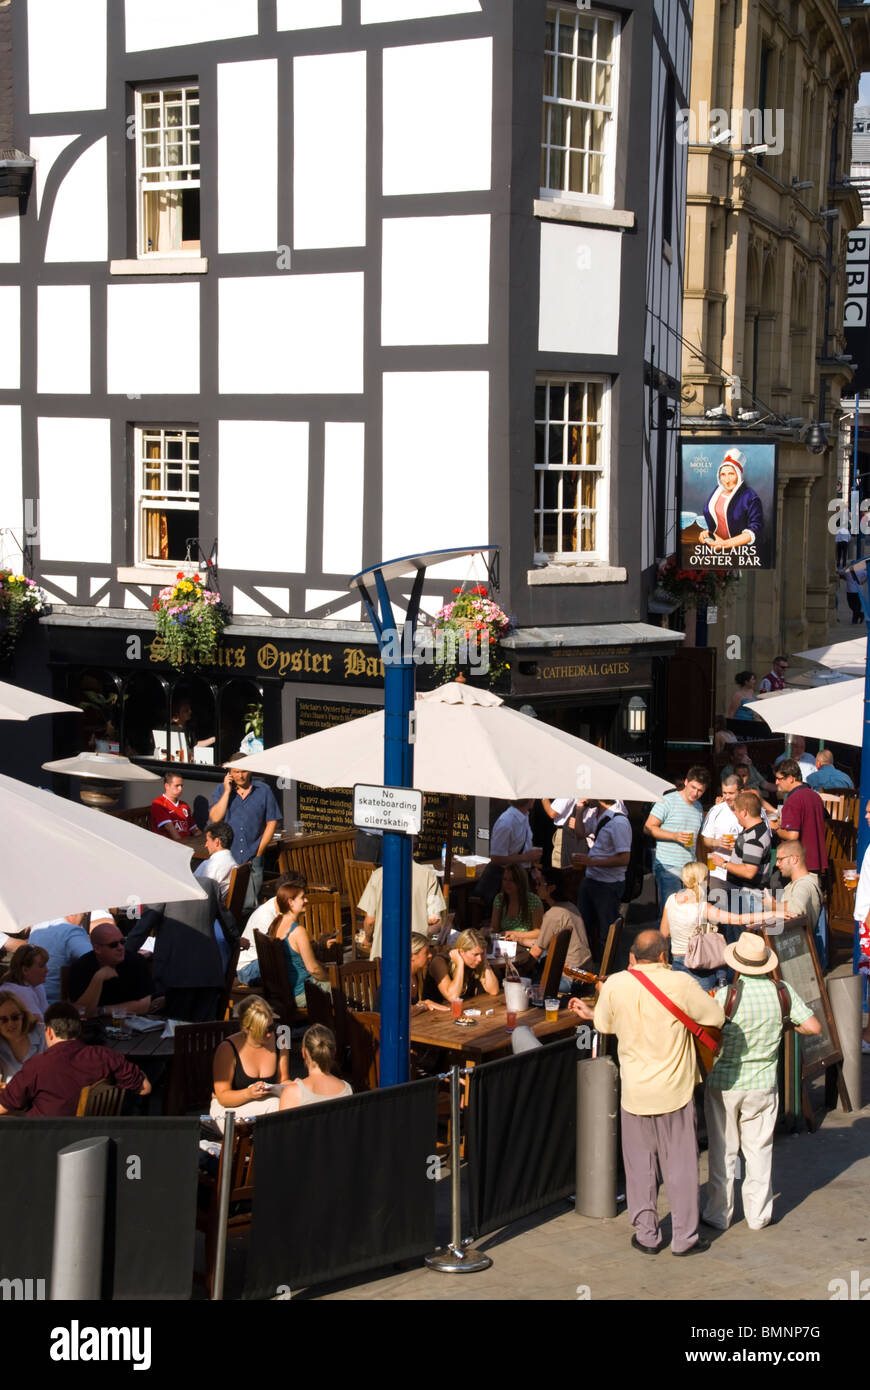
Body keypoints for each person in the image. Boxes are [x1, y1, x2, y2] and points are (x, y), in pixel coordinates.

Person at [569, 930, 725, 1255]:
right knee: (680, 1165)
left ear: (632, 957)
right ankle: (685, 1238)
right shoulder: (681, 984)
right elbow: (715, 1017)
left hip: (635, 1092)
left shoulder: (615, 984)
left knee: (640, 1166)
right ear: (664, 957)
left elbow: (603, 1024)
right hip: (674, 1091)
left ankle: (647, 1235)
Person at [702, 932, 820, 1232]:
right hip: (764, 1083)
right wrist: (785, 1025)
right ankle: (758, 1215)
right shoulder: (782, 992)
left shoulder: (726, 995)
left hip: (725, 1083)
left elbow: (705, 1031)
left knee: (723, 1150)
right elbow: (813, 1026)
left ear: (737, 966)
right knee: (760, 1150)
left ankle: (719, 1213)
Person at [0, 1002, 150, 1117]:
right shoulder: (105, 1056)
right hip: (95, 1140)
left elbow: (3, 1106)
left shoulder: (37, 1066)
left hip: (46, 1144)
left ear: (49, 1032)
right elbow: (145, 1088)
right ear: (79, 1030)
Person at [126, 876, 238, 1022]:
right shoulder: (209, 884)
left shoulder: (164, 887)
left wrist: (124, 955)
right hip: (208, 974)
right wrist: (236, 941)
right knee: (203, 1032)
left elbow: (143, 928)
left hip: (174, 976)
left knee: (172, 1033)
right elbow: (228, 922)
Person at [209, 758, 281, 910]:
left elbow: (272, 821)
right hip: (229, 855)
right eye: (236, 772)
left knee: (250, 904)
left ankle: (247, 933)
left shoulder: (263, 790)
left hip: (253, 853)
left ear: (251, 771)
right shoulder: (221, 790)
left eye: (243, 771)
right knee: (225, 902)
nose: (240, 776)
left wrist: (260, 851)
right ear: (229, 773)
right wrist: (228, 791)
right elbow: (215, 817)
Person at [210, 994, 290, 1128]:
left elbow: (283, 1081)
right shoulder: (227, 1049)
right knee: (275, 1107)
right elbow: (223, 1097)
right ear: (246, 1029)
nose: (269, 1035)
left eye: (271, 1028)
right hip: (227, 1110)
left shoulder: (280, 1040)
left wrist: (294, 1086)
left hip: (265, 1105)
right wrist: (249, 1093)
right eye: (262, 1031)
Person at [504, 869, 592, 976]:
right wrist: (518, 939)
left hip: (568, 977)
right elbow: (541, 942)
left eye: (540, 883)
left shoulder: (552, 915)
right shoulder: (571, 907)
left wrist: (519, 973)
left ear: (551, 888)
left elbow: (536, 952)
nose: (536, 887)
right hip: (584, 970)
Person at [574, 799, 632, 956]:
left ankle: (608, 971)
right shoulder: (596, 815)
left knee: (607, 934)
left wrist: (592, 861)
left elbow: (624, 858)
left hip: (608, 885)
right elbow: (580, 833)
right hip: (591, 879)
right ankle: (587, 968)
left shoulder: (619, 822)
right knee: (582, 928)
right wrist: (579, 810)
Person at [644, 767, 709, 908]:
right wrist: (674, 836)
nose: (695, 793)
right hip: (668, 866)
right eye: (693, 787)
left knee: (689, 913)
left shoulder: (698, 807)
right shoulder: (667, 801)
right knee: (670, 912)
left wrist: (701, 866)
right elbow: (648, 827)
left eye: (700, 790)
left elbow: (697, 841)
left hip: (691, 869)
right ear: (686, 782)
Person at [358, 860, 445, 960]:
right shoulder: (428, 875)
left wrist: (368, 939)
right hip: (416, 952)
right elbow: (435, 920)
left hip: (383, 951)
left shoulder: (378, 875)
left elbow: (370, 921)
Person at [709, 791, 772, 928]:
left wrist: (723, 863)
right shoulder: (755, 830)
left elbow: (749, 871)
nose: (735, 814)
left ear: (744, 812)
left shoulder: (754, 838)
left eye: (736, 811)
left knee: (742, 940)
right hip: (743, 894)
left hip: (747, 896)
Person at [68, 920, 152, 1019]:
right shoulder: (82, 966)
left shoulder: (136, 961)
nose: (120, 948)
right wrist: (98, 979)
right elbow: (81, 1011)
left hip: (130, 1024)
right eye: (113, 945)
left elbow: (143, 1006)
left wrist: (101, 1010)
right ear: (97, 949)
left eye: (122, 942)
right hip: (92, 1027)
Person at [266, 878, 330, 1009]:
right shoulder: (297, 931)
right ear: (291, 902)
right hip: (302, 992)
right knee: (351, 989)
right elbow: (313, 969)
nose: (306, 900)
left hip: (286, 991)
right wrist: (332, 977)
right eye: (302, 898)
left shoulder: (276, 923)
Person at [660, 861, 722, 991]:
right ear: (704, 880)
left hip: (677, 960)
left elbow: (664, 933)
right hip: (699, 963)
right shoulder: (703, 907)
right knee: (705, 1005)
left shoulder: (671, 899)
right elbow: (735, 919)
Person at [698, 448, 764, 554]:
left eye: (731, 474)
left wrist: (725, 544)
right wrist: (707, 533)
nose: (727, 480)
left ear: (739, 474)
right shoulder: (717, 491)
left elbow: (755, 529)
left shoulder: (750, 497)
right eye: (723, 475)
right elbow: (714, 518)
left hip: (739, 552)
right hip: (714, 547)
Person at [774, 759, 829, 876]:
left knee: (776, 886)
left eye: (779, 778)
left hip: (800, 866)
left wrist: (775, 828)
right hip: (817, 862)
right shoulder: (815, 796)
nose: (776, 782)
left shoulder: (793, 800)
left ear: (791, 778)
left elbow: (792, 835)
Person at [279, 1025, 352, 1109]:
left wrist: (297, 1086)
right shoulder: (347, 1089)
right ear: (334, 1052)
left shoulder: (292, 1093)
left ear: (304, 1052)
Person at [28, 912, 91, 1005]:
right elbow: (92, 961)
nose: (85, 915)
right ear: (74, 913)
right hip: (61, 1007)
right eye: (83, 915)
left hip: (35, 1001)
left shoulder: (37, 926)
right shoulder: (72, 932)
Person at [425, 929, 498, 1003]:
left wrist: (485, 960)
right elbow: (453, 997)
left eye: (482, 953)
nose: (479, 959)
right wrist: (460, 963)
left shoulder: (477, 961)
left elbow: (494, 990)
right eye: (475, 954)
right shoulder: (439, 961)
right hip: (434, 1013)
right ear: (461, 952)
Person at [699, 775, 741, 885]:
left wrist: (740, 845)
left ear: (741, 792)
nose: (727, 797)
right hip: (718, 871)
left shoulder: (752, 810)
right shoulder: (715, 810)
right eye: (724, 793)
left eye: (731, 793)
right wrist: (716, 842)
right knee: (718, 902)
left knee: (740, 902)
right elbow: (706, 840)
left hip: (743, 870)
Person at [0, 990, 45, 1082]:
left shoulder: (43, 1034)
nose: (10, 1024)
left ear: (23, 1016)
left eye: (15, 1017)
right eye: (3, 1020)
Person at [490, 865, 544, 936]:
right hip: (504, 943)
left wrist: (513, 934)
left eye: (512, 880)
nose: (507, 883)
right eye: (505, 879)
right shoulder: (499, 899)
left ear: (521, 882)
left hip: (525, 944)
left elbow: (538, 933)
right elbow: (494, 928)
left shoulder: (533, 901)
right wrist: (486, 931)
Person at [0, 944, 49, 1018]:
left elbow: (48, 1017)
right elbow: (40, 1025)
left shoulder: (37, 986)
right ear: (25, 970)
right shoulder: (20, 991)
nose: (47, 970)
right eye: (41, 966)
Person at [194, 821, 237, 903]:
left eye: (207, 840)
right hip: (223, 911)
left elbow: (192, 887)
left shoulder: (210, 865)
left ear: (217, 842)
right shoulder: (233, 863)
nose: (205, 845)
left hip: (208, 910)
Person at [150, 772, 200, 841]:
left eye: (181, 786)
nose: (180, 789)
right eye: (177, 786)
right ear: (167, 786)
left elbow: (195, 830)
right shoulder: (159, 803)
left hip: (188, 843)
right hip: (171, 846)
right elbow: (169, 828)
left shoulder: (184, 805)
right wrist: (184, 846)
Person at [541, 798, 577, 868]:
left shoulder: (567, 791)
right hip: (569, 832)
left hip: (566, 833)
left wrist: (543, 796)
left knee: (561, 866)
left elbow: (552, 813)